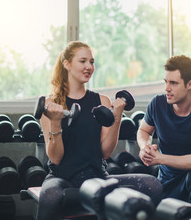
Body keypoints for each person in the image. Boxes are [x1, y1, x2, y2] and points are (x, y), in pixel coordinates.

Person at [36, 41, 162, 220]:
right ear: (67, 64)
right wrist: (55, 122)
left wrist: (117, 117)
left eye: (92, 62)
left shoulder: (102, 101)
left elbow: (105, 152)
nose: (89, 66)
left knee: (153, 185)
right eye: (83, 61)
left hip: (97, 176)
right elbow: (55, 158)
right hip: (62, 178)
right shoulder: (51, 106)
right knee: (50, 196)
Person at [137, 55, 191, 210]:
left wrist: (161, 158)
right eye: (166, 82)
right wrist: (145, 147)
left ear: (190, 84)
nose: (167, 88)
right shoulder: (157, 104)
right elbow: (143, 130)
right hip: (166, 177)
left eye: (173, 83)